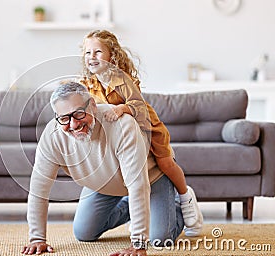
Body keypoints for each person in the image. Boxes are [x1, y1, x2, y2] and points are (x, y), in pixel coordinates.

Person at [21, 82, 185, 256]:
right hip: (103, 183)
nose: (74, 124)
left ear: (92, 105)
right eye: (64, 118)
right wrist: (37, 238)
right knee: (84, 232)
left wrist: (138, 243)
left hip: (149, 180)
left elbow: (138, 185)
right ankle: (138, 208)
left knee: (160, 238)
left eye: (79, 114)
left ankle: (176, 204)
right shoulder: (52, 136)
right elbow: (39, 189)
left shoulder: (122, 124)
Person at [79, 30, 203, 236]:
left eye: (98, 52)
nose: (92, 57)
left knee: (166, 162)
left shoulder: (121, 80)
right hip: (114, 150)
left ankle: (184, 198)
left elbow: (138, 105)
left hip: (148, 130)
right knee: (84, 233)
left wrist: (121, 109)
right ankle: (134, 206)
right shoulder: (87, 84)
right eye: (87, 53)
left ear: (112, 56)